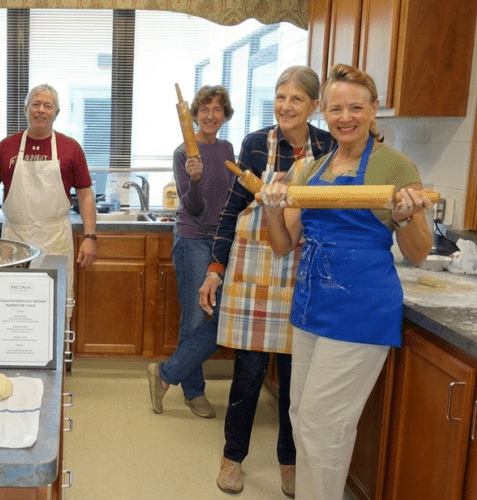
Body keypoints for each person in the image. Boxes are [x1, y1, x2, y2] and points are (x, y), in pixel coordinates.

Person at [257, 63, 433, 499]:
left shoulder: (395, 166)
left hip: (361, 311)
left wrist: (405, 215)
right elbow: (283, 245)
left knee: (323, 426)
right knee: (302, 416)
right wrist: (273, 208)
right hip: (311, 308)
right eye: (336, 108)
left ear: (374, 111)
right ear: (324, 114)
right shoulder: (313, 169)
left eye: (356, 107)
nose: (345, 117)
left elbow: (419, 250)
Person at [205, 66, 334, 496]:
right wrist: (215, 268)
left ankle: (289, 463)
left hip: (302, 271)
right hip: (256, 271)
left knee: (297, 382)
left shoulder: (330, 148)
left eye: (296, 99)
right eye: (281, 97)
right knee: (248, 375)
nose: (286, 106)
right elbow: (232, 207)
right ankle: (232, 458)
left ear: (314, 106)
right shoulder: (257, 144)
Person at [146, 85, 235, 419]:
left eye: (217, 109)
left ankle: (167, 372)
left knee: (224, 317)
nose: (210, 115)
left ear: (225, 115)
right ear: (194, 114)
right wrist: (194, 180)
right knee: (197, 317)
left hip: (223, 241)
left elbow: (231, 198)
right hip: (193, 239)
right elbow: (194, 208)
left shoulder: (227, 149)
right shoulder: (184, 152)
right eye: (204, 109)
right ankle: (194, 393)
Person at [0, 84, 97, 317]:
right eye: (36, 104)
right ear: (26, 110)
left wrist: (90, 236)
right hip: (16, 240)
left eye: (47, 106)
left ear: (56, 113)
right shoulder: (6, 147)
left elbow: (85, 193)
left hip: (55, 239)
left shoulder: (70, 148)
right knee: (15, 307)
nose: (41, 110)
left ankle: (59, 352)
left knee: (55, 305)